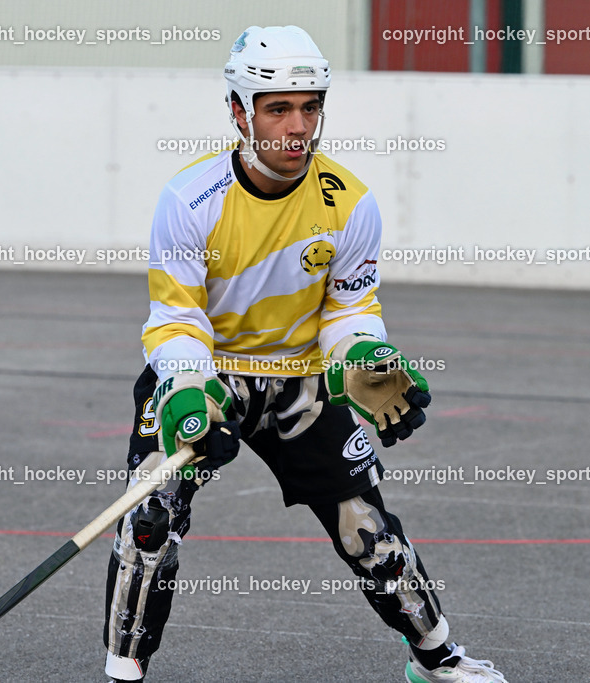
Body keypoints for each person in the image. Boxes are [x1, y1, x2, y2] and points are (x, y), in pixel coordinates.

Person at [101, 26, 507, 683]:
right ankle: (125, 669)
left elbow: (348, 310)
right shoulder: (189, 200)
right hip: (206, 374)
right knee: (148, 517)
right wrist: (187, 391)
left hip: (302, 379)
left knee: (368, 531)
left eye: (310, 106)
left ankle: (437, 657)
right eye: (277, 108)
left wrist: (366, 362)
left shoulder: (348, 202)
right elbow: (177, 316)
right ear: (239, 111)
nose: (298, 127)